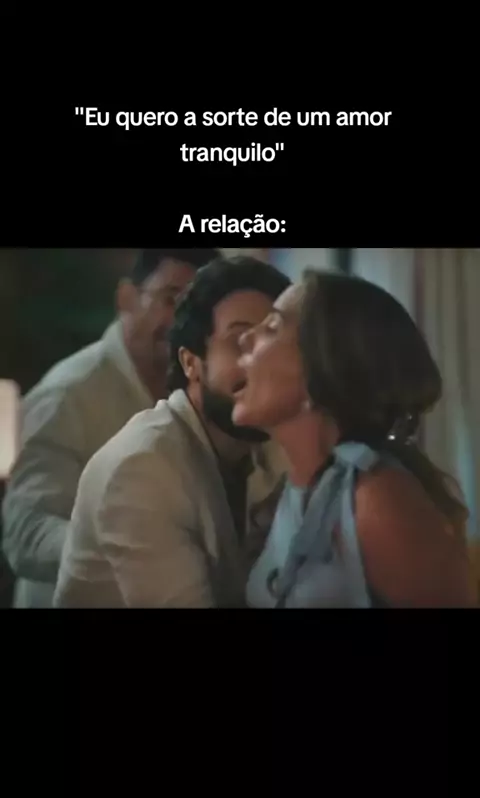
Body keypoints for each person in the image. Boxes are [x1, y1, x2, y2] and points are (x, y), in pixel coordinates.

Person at [53, 256, 289, 608]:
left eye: (272, 341)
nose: (259, 361)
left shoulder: (271, 448)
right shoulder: (141, 468)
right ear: (191, 362)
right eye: (240, 341)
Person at [231, 270, 476, 608]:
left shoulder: (376, 499)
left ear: (320, 370)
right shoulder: (295, 492)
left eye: (272, 327)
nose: (245, 338)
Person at [3, 248, 219, 608]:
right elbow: (25, 532)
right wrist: (125, 548)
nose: (185, 321)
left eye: (201, 308)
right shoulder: (68, 395)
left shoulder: (207, 392)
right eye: (171, 299)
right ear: (126, 298)